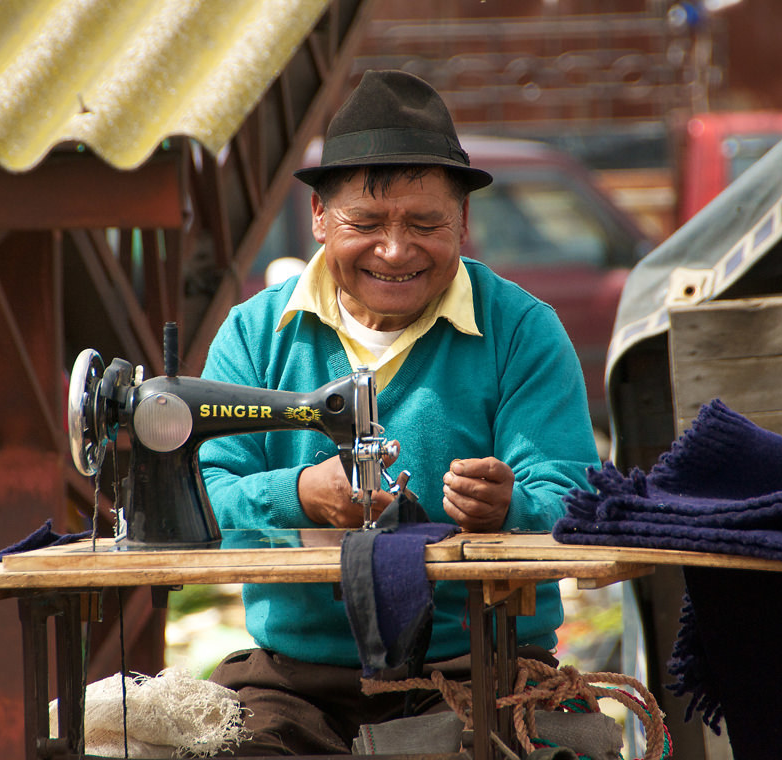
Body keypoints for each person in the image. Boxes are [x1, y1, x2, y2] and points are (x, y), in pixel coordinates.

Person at [198, 69, 600, 755]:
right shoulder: (255, 335)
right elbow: (201, 497)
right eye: (366, 222)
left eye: (425, 223)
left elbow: (574, 497)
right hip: (298, 681)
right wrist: (296, 494)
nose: (394, 248)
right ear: (320, 218)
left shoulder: (523, 332)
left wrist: (510, 509)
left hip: (482, 670)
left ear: (464, 223)